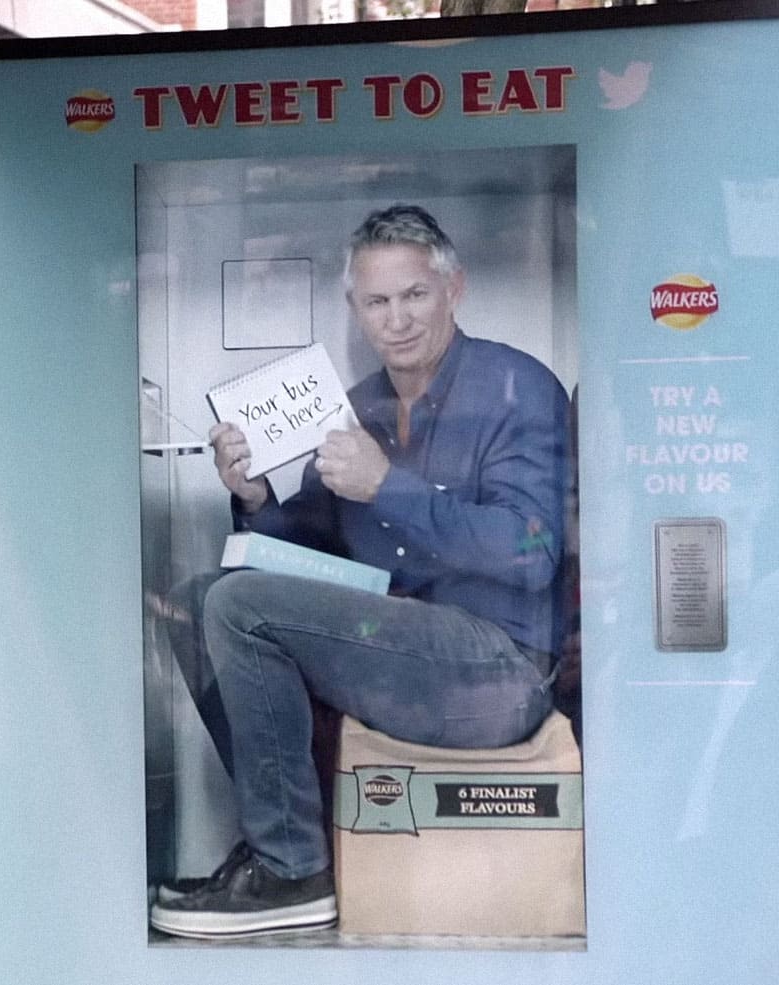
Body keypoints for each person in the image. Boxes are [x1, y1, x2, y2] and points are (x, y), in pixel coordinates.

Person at [151, 204, 571, 939]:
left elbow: (530, 554)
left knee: (238, 606)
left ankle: (290, 871)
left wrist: (391, 488)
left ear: (454, 289)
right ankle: (297, 843)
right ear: (355, 309)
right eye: (377, 302)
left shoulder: (515, 387)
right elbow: (307, 541)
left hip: (497, 669)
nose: (397, 319)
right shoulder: (360, 405)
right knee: (198, 602)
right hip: (396, 644)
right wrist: (250, 492)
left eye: (415, 295)